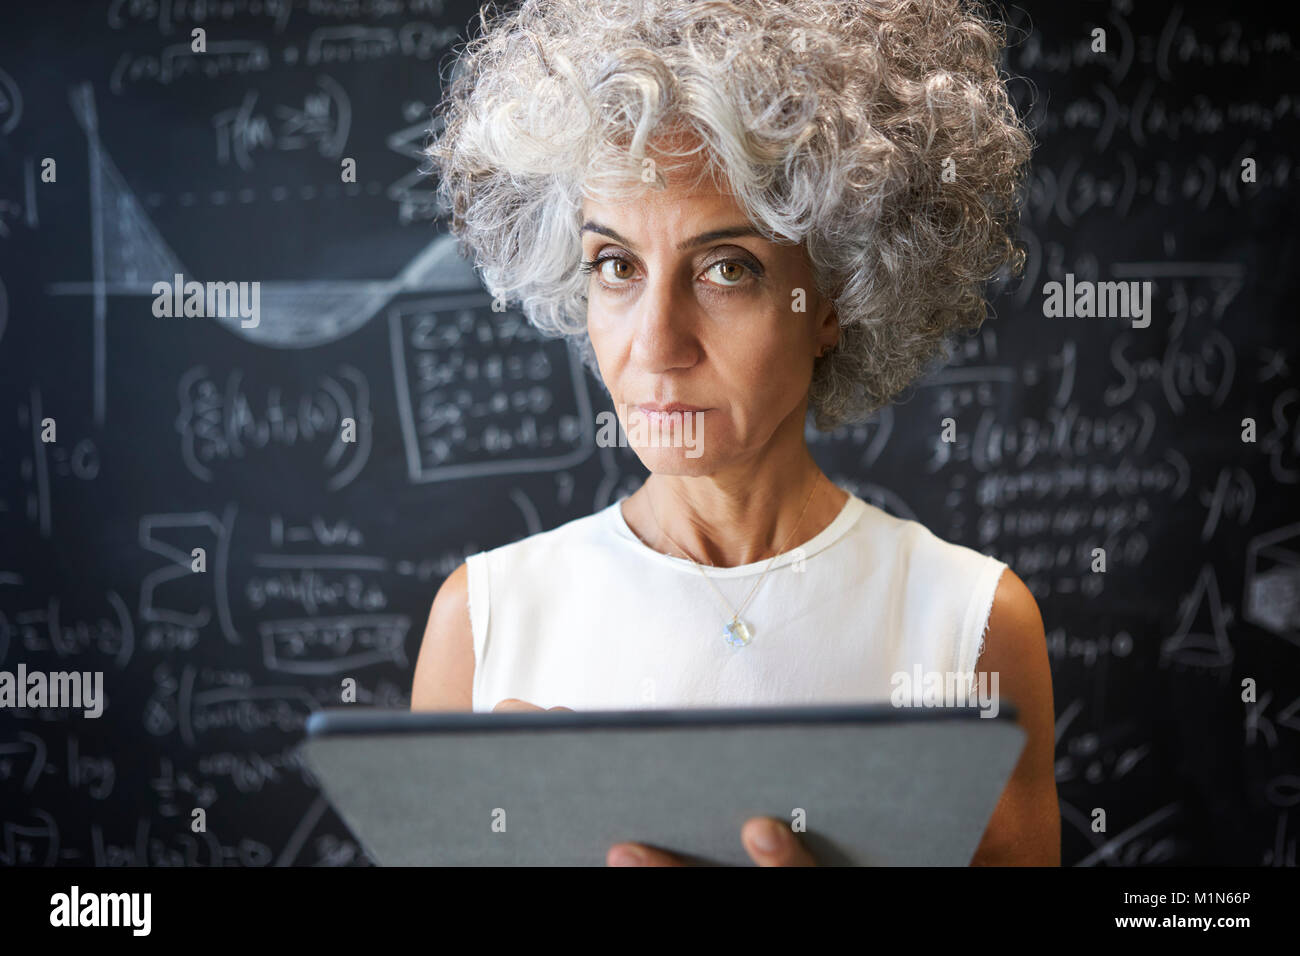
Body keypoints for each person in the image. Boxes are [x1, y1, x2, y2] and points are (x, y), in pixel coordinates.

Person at [412, 0, 1058, 865]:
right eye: (616, 265)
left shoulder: (972, 624)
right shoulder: (482, 625)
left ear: (836, 295)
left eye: (726, 269)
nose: (656, 345)